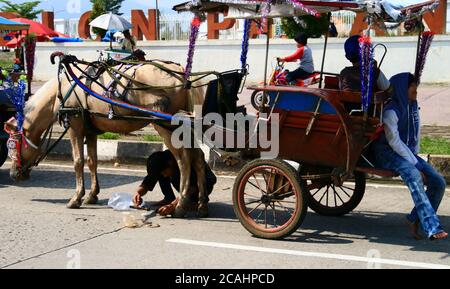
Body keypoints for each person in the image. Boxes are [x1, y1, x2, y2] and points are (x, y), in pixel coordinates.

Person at [372, 73, 447, 241]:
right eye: (412, 86)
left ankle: (414, 219)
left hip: (406, 152)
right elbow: (394, 142)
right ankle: (432, 226)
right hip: (386, 152)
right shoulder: (391, 111)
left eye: (416, 85)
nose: (416, 90)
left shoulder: (412, 105)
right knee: (414, 175)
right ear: (401, 89)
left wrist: (419, 160)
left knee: (439, 182)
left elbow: (416, 134)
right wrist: (416, 166)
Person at [132, 150, 217, 215]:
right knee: (161, 174)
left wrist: (173, 205)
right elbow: (148, 181)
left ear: (170, 162)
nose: (164, 176)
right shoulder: (163, 160)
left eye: (165, 172)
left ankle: (194, 202)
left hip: (203, 184)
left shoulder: (184, 161)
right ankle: (169, 198)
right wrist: (138, 193)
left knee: (184, 204)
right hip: (182, 181)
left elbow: (191, 188)